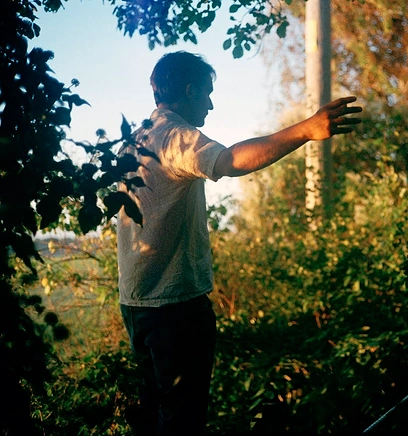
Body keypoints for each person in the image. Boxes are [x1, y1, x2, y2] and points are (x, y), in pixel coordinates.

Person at [116, 51, 362, 436]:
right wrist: (306, 130)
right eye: (208, 94)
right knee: (182, 422)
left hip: (136, 304)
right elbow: (230, 161)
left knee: (154, 416)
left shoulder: (136, 140)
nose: (212, 104)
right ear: (189, 89)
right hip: (173, 308)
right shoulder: (175, 137)